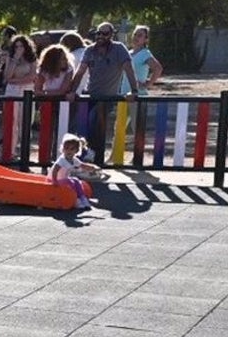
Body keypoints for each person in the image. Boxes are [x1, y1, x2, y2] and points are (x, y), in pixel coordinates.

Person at [66, 22, 138, 165]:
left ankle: (93, 154)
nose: (100, 36)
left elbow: (129, 70)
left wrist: (134, 90)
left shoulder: (119, 49)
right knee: (81, 125)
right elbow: (80, 72)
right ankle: (82, 157)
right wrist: (72, 91)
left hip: (107, 96)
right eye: (98, 33)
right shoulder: (90, 50)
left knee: (95, 120)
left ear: (111, 35)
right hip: (91, 94)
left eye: (105, 33)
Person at [1, 34, 37, 154]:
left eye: (21, 46)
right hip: (12, 91)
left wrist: (15, 80)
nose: (19, 48)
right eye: (16, 46)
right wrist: (15, 60)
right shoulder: (10, 58)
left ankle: (24, 151)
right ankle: (9, 151)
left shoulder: (32, 59)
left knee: (26, 121)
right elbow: (7, 76)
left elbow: (32, 77)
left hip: (27, 90)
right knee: (12, 121)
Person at [50, 133, 96, 210]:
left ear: (76, 150)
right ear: (63, 149)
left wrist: (91, 168)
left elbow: (82, 165)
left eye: (72, 149)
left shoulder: (73, 159)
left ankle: (82, 197)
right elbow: (55, 170)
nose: (69, 151)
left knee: (76, 180)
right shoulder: (62, 160)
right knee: (70, 182)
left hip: (64, 180)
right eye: (66, 148)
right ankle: (76, 200)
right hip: (56, 180)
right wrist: (54, 180)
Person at [126, 25, 163, 97]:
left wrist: (147, 84)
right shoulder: (128, 53)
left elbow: (158, 69)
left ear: (146, 39)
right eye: (135, 34)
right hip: (124, 94)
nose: (136, 37)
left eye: (139, 35)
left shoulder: (145, 54)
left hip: (137, 95)